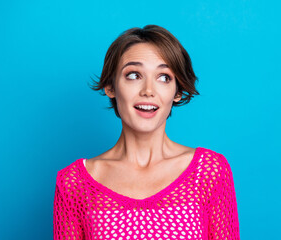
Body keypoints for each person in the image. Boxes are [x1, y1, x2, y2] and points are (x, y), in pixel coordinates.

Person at [53, 24, 240, 240]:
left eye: (164, 77)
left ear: (177, 91)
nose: (148, 91)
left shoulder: (209, 172)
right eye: (133, 75)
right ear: (110, 87)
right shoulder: (74, 183)